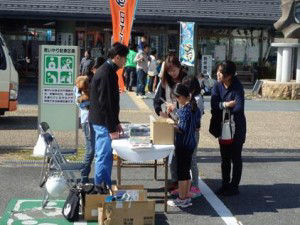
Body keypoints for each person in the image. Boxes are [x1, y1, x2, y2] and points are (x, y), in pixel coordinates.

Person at [89, 42, 129, 191]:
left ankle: (104, 185)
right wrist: (112, 127)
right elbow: (105, 104)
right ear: (117, 57)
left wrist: (116, 122)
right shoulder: (106, 73)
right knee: (103, 156)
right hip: (102, 122)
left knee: (105, 156)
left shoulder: (108, 71)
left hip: (103, 121)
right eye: (124, 59)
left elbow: (110, 102)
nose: (125, 62)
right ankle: (99, 188)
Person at [211, 61, 246, 196]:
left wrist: (221, 106)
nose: (218, 74)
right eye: (218, 71)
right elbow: (214, 105)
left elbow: (239, 107)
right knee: (224, 158)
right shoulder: (217, 85)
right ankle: (225, 184)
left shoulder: (238, 87)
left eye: (221, 73)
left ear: (229, 75)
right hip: (223, 127)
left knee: (236, 157)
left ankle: (234, 186)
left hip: (237, 127)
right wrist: (226, 104)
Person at [153, 53, 187, 191]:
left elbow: (192, 101)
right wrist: (159, 112)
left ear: (179, 67)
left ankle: (188, 184)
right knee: (172, 152)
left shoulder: (186, 80)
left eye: (174, 70)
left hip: (185, 122)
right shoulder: (164, 81)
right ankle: (174, 181)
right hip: (171, 121)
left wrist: (177, 107)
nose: (172, 73)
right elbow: (156, 100)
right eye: (169, 71)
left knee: (186, 156)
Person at [167, 83, 200, 208]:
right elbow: (195, 125)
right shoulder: (193, 108)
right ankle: (185, 196)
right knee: (186, 172)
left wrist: (170, 124)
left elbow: (182, 129)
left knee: (182, 173)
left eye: (177, 97)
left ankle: (181, 198)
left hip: (183, 145)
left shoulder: (185, 110)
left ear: (182, 96)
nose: (176, 100)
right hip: (191, 143)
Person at [181, 75, 204, 197]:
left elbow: (195, 117)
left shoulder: (197, 99)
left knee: (192, 159)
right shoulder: (192, 98)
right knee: (187, 159)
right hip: (188, 132)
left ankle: (195, 185)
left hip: (193, 133)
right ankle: (189, 184)